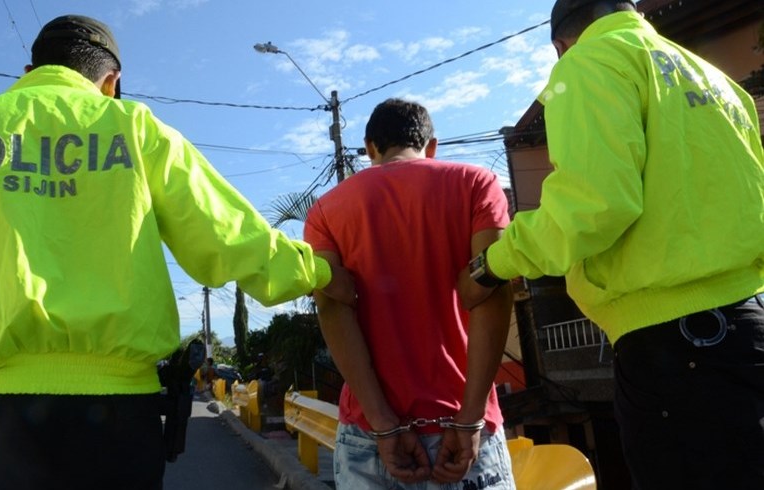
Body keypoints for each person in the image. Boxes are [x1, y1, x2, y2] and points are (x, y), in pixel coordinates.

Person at [0, 14, 352, 490]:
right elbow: (232, 237)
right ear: (110, 82)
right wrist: (319, 273)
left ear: (29, 71)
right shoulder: (137, 131)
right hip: (113, 424)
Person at [479, 1, 764, 488]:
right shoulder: (713, 78)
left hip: (675, 347)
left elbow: (594, 206)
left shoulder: (590, 62)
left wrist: (495, 262)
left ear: (560, 45)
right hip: (749, 322)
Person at [304, 98, 516, 489]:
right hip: (466, 425)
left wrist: (383, 423)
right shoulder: (476, 184)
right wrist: (470, 416)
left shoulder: (326, 210)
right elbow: (493, 292)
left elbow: (333, 309)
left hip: (370, 433)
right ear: (432, 146)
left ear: (370, 148)